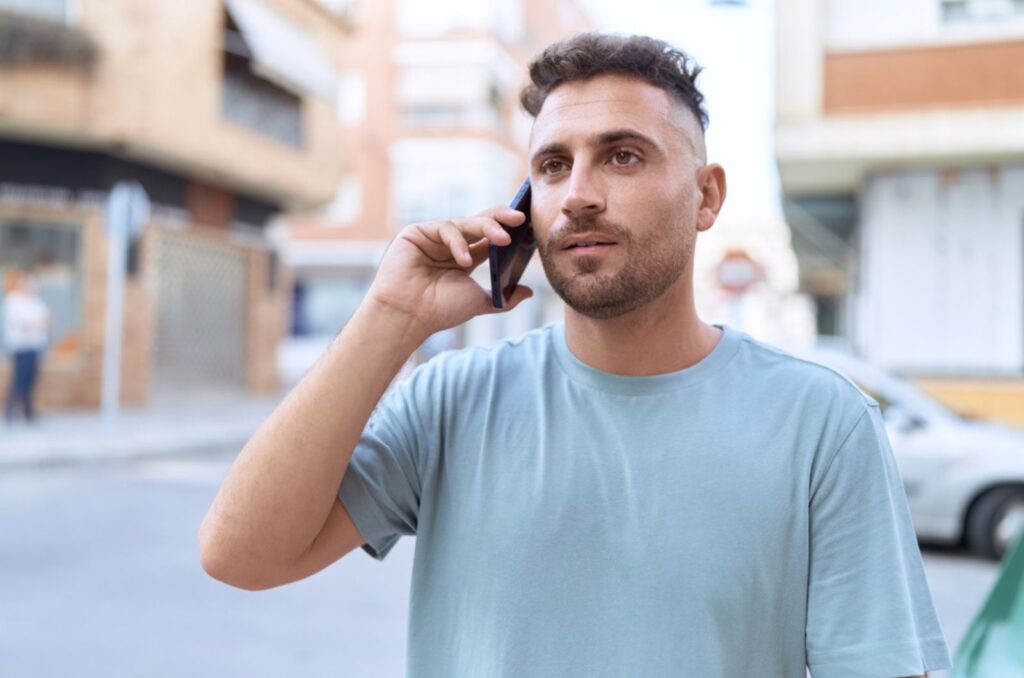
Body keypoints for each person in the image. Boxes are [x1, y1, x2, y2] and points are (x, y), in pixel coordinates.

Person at [200, 33, 951, 677]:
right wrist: (389, 318)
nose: (579, 194)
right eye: (554, 166)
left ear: (706, 197)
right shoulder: (453, 399)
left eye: (622, 157)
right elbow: (241, 555)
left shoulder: (820, 422)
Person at [3, 270, 51, 424]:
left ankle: (28, 412)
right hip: (21, 347)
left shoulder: (36, 302)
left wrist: (36, 324)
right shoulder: (13, 301)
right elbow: (23, 325)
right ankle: (9, 411)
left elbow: (47, 321)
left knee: (31, 380)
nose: (32, 287)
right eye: (29, 283)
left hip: (35, 346)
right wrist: (36, 324)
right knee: (20, 379)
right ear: (22, 283)